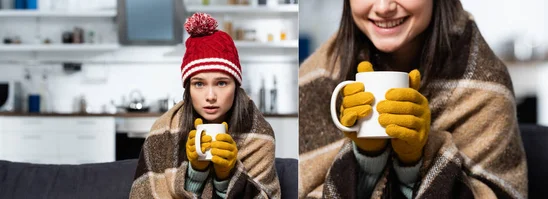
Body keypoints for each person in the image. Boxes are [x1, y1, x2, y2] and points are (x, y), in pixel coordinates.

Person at [299, 0, 527, 198]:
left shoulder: (483, 83)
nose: (383, 7)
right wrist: (367, 157)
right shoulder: (316, 78)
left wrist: (415, 161)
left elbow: (496, 192)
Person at [130, 13, 280, 199]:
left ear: (236, 86)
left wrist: (228, 175)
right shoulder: (164, 130)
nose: (210, 96)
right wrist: (195, 172)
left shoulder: (259, 134)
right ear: (188, 88)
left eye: (222, 83)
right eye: (199, 84)